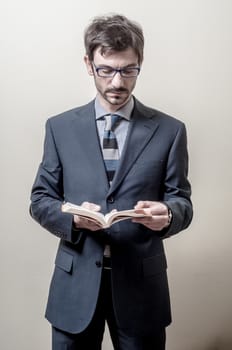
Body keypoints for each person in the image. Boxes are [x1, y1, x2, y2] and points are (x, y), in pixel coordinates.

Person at [30, 13, 193, 350]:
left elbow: (182, 202)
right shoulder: (59, 128)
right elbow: (40, 199)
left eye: (128, 70)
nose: (117, 83)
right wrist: (71, 218)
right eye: (106, 70)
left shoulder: (170, 130)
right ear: (89, 64)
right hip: (74, 287)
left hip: (141, 290)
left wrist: (168, 214)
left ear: (140, 63)